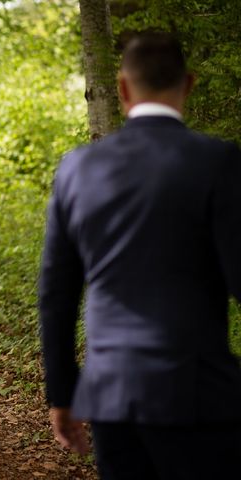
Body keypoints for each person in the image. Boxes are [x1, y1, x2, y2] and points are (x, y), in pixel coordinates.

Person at [38, 33, 241, 479]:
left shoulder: (76, 167)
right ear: (188, 84)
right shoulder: (218, 161)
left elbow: (56, 294)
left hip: (111, 394)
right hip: (198, 391)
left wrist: (62, 394)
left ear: (123, 88)